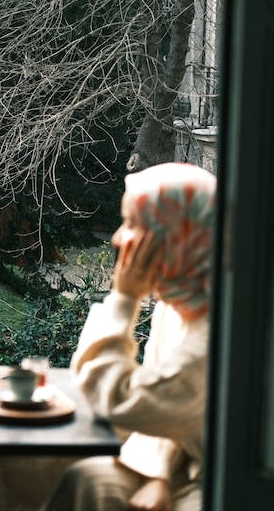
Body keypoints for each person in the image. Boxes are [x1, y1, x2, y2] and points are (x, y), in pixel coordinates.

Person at [42, 162, 216, 511]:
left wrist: (124, 298)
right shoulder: (181, 305)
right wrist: (159, 476)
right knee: (87, 480)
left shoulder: (213, 339)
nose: (118, 238)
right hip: (181, 468)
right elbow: (171, 407)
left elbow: (117, 397)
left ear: (173, 240)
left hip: (218, 486)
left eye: (133, 224)